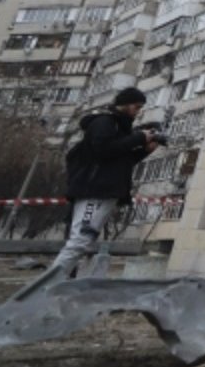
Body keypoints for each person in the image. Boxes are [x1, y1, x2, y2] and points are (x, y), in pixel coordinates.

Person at [53, 86, 158, 274]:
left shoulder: (120, 128)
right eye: (137, 106)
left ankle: (67, 286)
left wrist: (144, 150)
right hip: (94, 190)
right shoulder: (105, 122)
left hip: (106, 191)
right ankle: (45, 287)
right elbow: (103, 150)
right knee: (80, 241)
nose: (138, 111)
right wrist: (139, 138)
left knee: (85, 242)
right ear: (124, 104)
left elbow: (120, 161)